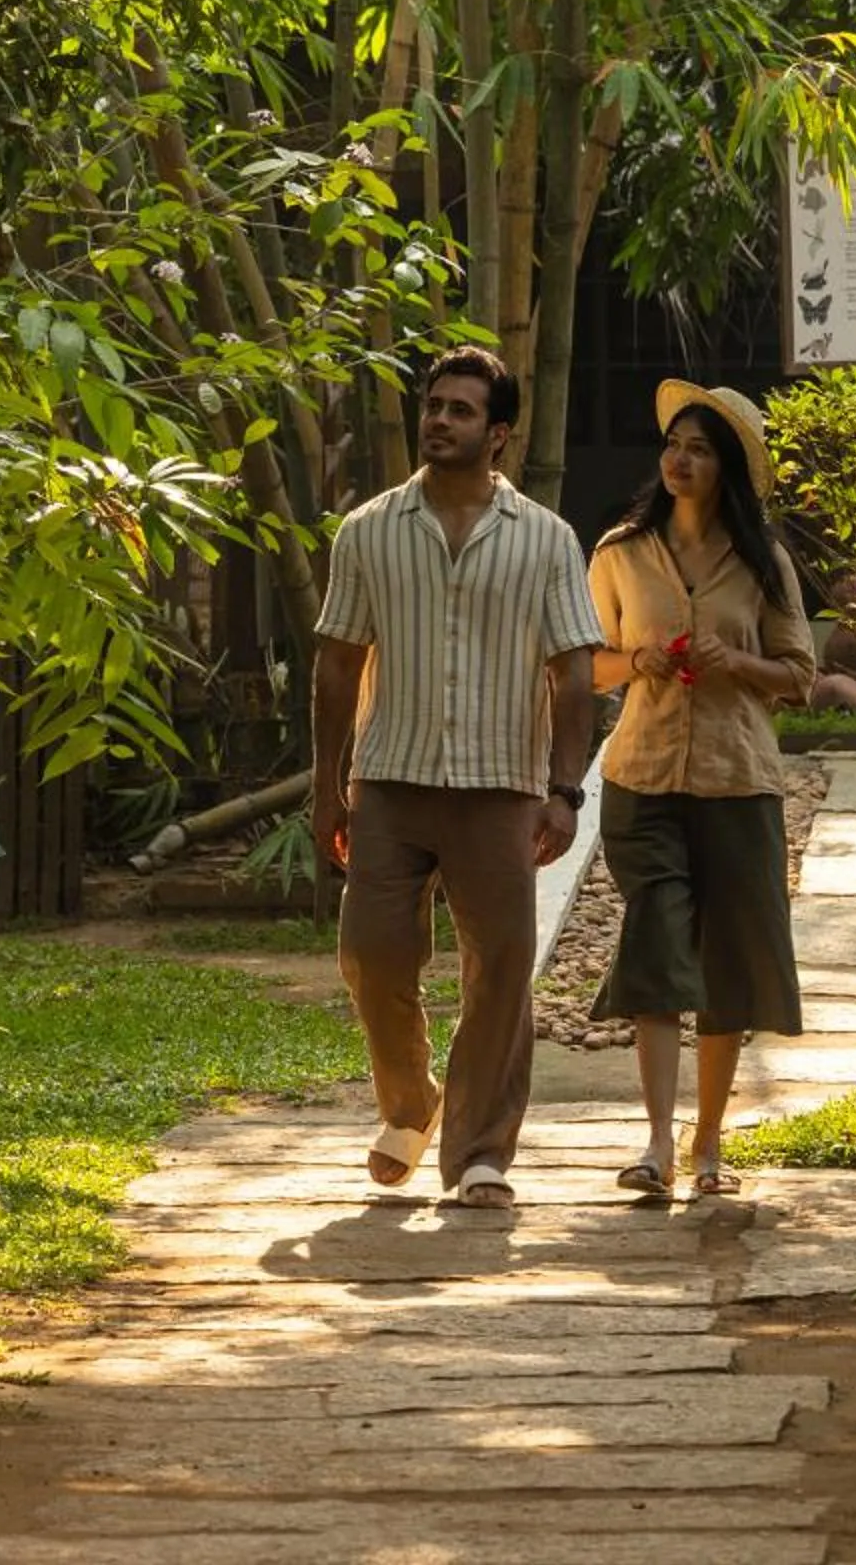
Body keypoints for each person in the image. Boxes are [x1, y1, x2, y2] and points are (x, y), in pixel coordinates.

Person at [311, 346, 602, 1210]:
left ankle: (480, 1154)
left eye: (461, 410)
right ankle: (410, 1104)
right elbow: (335, 666)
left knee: (502, 968)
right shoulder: (367, 531)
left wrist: (564, 787)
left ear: (499, 434)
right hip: (391, 778)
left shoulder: (547, 540)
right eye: (433, 405)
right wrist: (327, 785)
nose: (439, 420)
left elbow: (574, 673)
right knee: (370, 953)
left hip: (501, 784)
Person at [586, 381, 813, 1197]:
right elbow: (588, 663)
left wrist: (736, 663)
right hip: (641, 776)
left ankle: (707, 1143)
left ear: (727, 470)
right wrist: (639, 661)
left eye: (701, 449)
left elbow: (800, 676)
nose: (681, 459)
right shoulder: (618, 552)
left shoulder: (762, 563)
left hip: (737, 782)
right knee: (655, 945)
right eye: (675, 443)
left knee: (727, 967)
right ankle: (654, 1144)